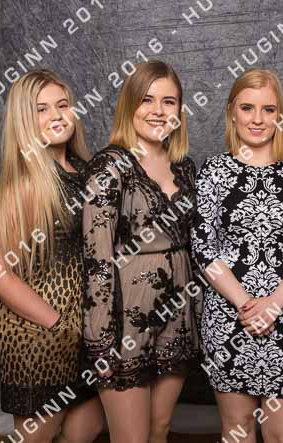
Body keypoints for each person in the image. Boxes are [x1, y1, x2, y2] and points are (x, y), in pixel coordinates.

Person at [191, 68, 283, 443]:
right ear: (232, 112)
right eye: (247, 108)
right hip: (230, 317)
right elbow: (203, 245)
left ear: (280, 115)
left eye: (268, 109)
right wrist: (247, 304)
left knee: (282, 436)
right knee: (238, 431)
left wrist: (275, 303)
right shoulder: (214, 171)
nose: (257, 119)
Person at [82, 60, 201, 443]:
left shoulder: (184, 168)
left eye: (169, 101)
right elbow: (97, 260)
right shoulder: (109, 167)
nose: (158, 111)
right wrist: (101, 341)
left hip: (177, 317)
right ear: (129, 104)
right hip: (125, 325)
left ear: (180, 110)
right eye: (147, 99)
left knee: (159, 429)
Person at [0, 69, 104, 443]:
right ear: (24, 119)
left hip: (84, 333)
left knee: (87, 428)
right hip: (38, 332)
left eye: (62, 105)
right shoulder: (26, 183)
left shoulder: (85, 171)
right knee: (37, 437)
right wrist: (57, 324)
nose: (56, 115)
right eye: (41, 109)